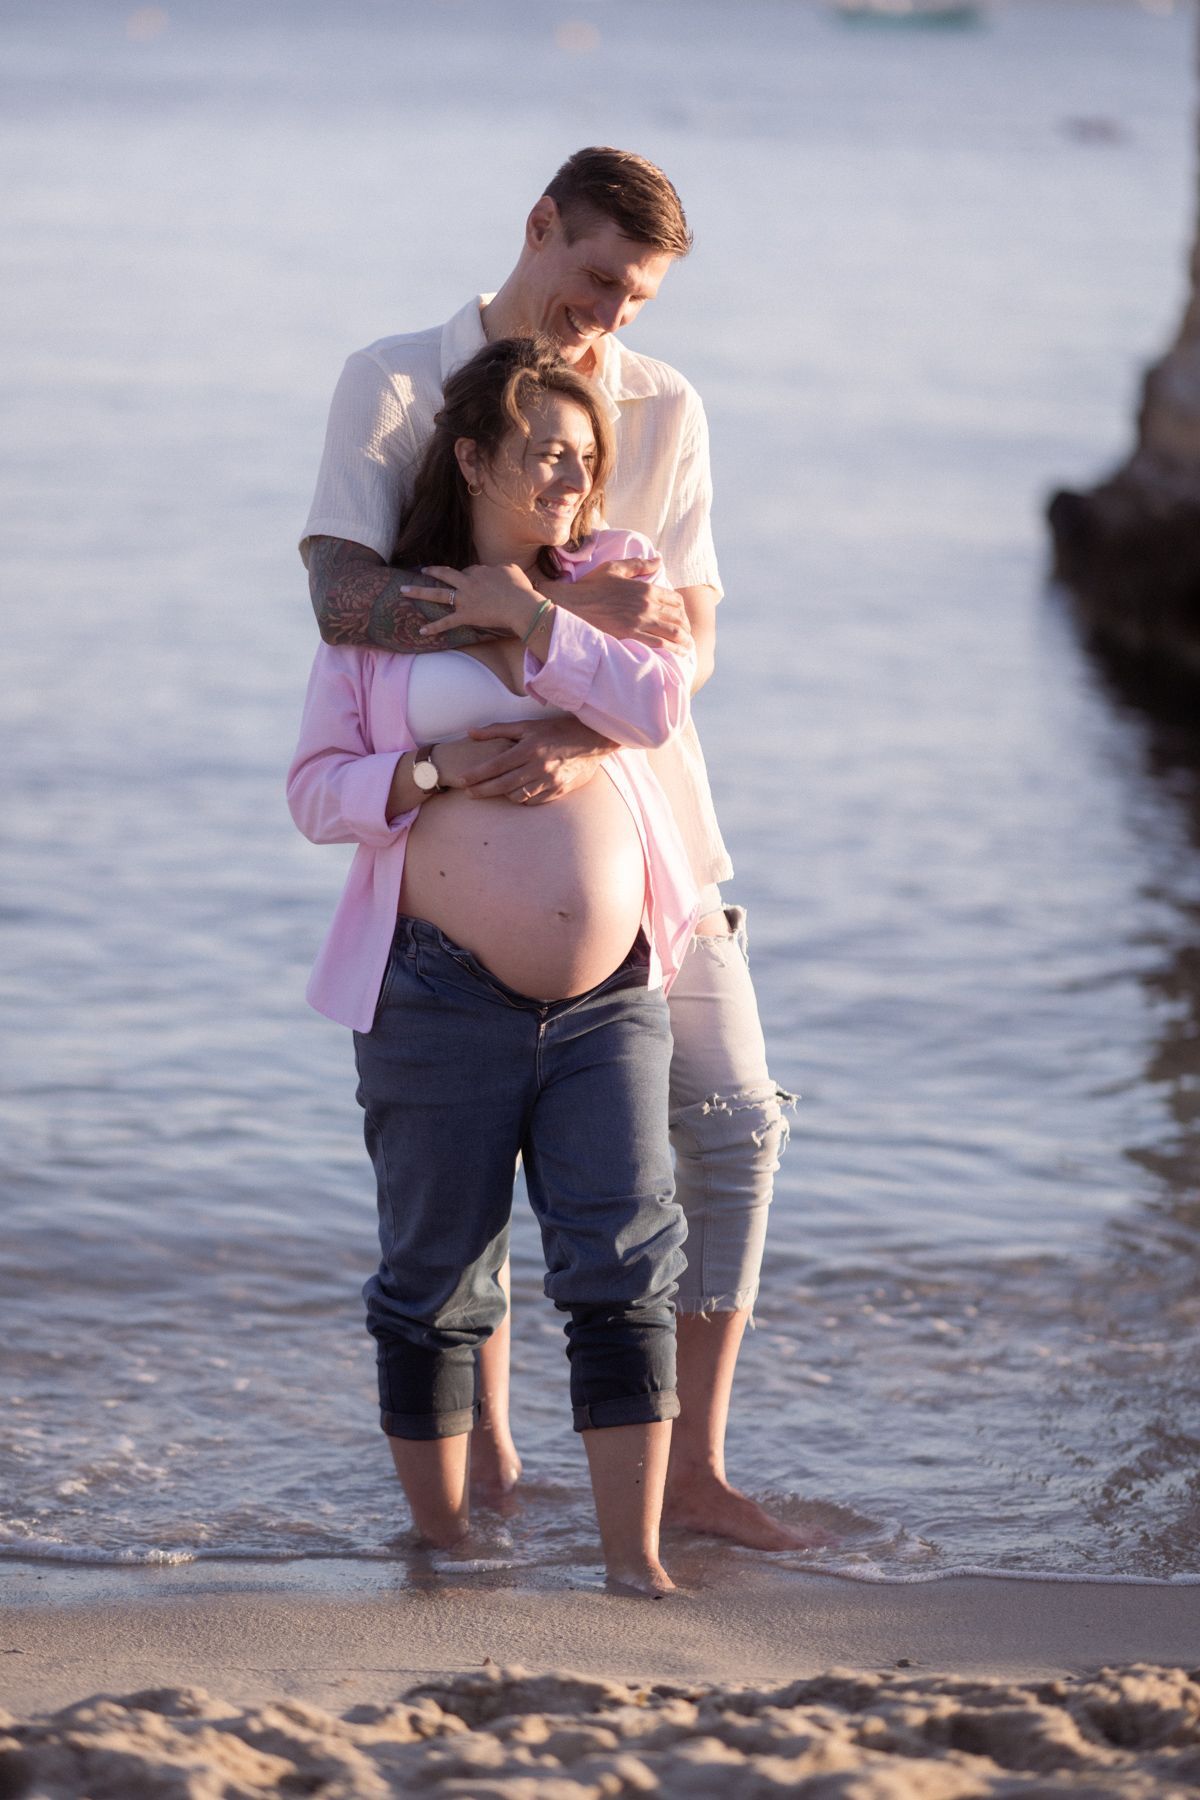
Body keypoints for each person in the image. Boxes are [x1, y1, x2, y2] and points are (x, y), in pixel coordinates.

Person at [301, 146, 804, 1551]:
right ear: (538, 228)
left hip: (650, 811)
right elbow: (346, 597)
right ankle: (503, 1463)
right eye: (595, 283)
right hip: (460, 867)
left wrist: (575, 695)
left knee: (739, 1122)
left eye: (637, 300)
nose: (610, 323)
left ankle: (693, 1471)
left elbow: (686, 641)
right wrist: (539, 619)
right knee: (471, 1175)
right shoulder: (398, 380)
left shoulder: (664, 402)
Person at [289, 336, 701, 1594]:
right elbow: (313, 794)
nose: (575, 487)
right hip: (435, 996)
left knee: (625, 1265)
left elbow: (658, 704)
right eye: (549, 460)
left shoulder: (614, 579)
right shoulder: (383, 618)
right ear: (473, 457)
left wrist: (533, 614)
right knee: (434, 1275)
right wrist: (430, 772)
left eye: (589, 464)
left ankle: (635, 1563)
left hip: (610, 999)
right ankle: (447, 1548)